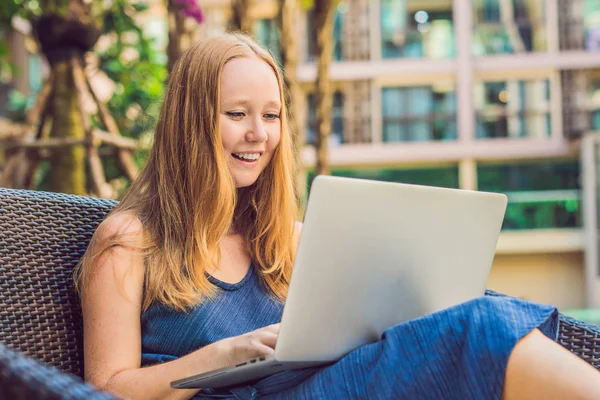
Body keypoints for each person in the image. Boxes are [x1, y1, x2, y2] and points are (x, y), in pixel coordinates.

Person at [74, 33, 600, 400]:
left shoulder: (288, 240)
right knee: (483, 328)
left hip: (325, 387)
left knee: (488, 313)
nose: (259, 133)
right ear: (191, 124)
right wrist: (221, 356)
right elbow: (103, 389)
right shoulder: (130, 242)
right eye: (236, 114)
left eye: (271, 115)